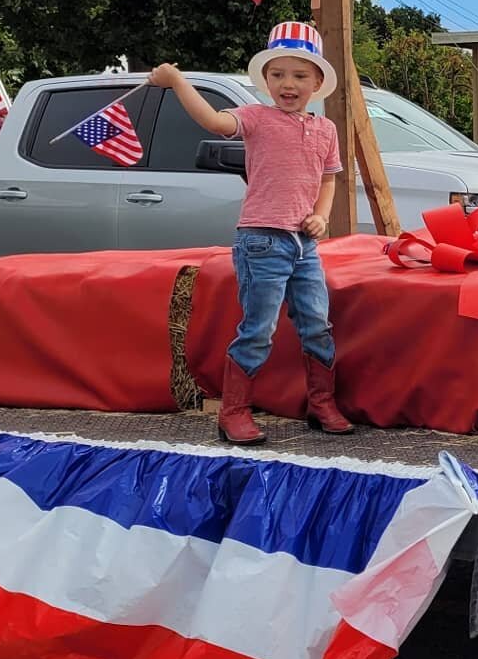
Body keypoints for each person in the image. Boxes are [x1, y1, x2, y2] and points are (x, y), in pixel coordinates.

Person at [149, 23, 353, 444]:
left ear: (317, 82)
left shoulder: (325, 129)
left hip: (304, 244)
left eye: (299, 75)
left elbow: (329, 178)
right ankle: (233, 411)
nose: (287, 84)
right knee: (259, 328)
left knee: (317, 323)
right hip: (262, 240)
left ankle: (321, 403)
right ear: (265, 81)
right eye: (277, 75)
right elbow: (212, 120)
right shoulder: (255, 119)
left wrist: (322, 216)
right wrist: (177, 82)